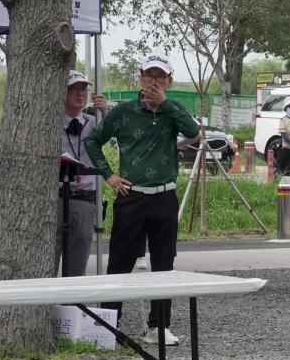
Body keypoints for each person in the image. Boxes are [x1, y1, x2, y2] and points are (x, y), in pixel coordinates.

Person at [86, 54, 201, 345]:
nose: (153, 82)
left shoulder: (172, 111)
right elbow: (92, 140)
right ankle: (109, 326)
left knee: (164, 263)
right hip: (131, 195)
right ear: (140, 79)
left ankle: (158, 327)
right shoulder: (124, 112)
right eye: (148, 76)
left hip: (164, 195)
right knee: (120, 262)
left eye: (160, 77)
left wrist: (166, 104)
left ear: (169, 81)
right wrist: (109, 175)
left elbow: (193, 132)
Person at [58, 71, 102, 277]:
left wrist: (105, 115)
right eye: (74, 89)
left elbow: (114, 138)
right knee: (50, 256)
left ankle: (73, 306)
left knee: (78, 259)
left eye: (84, 89)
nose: (80, 94)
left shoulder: (95, 122)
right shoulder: (50, 123)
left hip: (84, 199)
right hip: (56, 198)